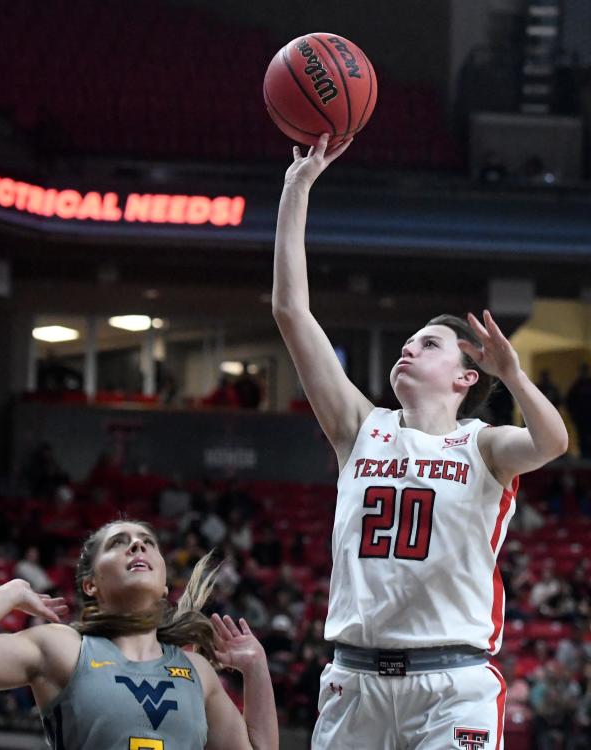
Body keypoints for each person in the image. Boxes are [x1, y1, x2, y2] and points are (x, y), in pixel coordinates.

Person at [272, 132, 570, 748]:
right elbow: (291, 312)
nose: (409, 346)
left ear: (467, 377)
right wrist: (294, 190)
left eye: (428, 343)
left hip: (453, 682)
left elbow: (552, 442)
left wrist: (514, 373)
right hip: (354, 681)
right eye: (408, 341)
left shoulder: (484, 447)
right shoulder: (360, 428)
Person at [0, 519, 278, 749]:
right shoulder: (64, 648)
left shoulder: (198, 671)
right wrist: (10, 592)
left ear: (165, 585)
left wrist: (257, 672)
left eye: (147, 541)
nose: (138, 545)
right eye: (119, 542)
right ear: (90, 584)